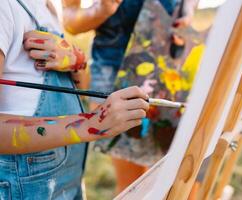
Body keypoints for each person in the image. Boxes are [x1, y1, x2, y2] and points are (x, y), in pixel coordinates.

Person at [0, 0, 148, 199]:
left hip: (67, 180)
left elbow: (76, 90)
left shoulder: (47, 7)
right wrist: (92, 124)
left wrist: (77, 62)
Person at [63, 0, 199, 195]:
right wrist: (99, 10)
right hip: (115, 77)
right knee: (134, 188)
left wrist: (187, 11)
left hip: (171, 74)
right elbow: (70, 18)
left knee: (179, 184)